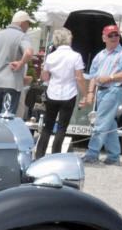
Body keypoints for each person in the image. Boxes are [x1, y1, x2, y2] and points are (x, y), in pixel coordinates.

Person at [80, 24, 122, 165]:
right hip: (101, 91)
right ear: (104, 38)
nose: (114, 37)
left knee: (100, 122)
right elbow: (93, 75)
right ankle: (114, 156)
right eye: (110, 35)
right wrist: (90, 92)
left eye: (116, 34)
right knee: (109, 124)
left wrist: (110, 77)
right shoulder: (100, 55)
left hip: (114, 89)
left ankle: (92, 154)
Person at [34, 28, 89, 158]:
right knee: (62, 128)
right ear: (69, 39)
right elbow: (79, 78)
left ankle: (39, 155)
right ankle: (56, 156)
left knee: (48, 126)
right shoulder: (76, 56)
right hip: (69, 94)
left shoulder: (51, 56)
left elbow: (45, 77)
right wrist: (86, 94)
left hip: (53, 92)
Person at [0, 11, 34, 116]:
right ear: (22, 23)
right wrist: (21, 63)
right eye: (28, 24)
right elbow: (29, 52)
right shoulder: (22, 36)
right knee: (8, 116)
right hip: (12, 83)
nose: (28, 27)